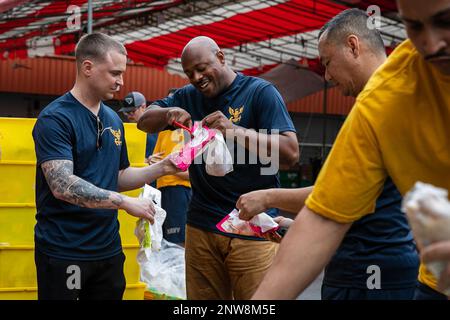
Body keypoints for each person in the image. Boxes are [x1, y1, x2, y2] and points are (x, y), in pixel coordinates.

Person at [250, 0, 450, 300]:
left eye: (444, 21)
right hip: (433, 283)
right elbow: (326, 214)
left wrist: (268, 197)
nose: (431, 44)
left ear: (353, 46)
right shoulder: (385, 99)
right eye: (415, 27)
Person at [137, 36, 299, 299]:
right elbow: (144, 121)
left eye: (202, 68)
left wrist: (233, 130)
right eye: (190, 73)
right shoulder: (188, 97)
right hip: (202, 226)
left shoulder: (260, 93)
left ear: (221, 58)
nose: (197, 77)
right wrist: (168, 114)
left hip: (252, 227)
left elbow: (290, 153)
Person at [32, 33, 178, 300]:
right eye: (115, 73)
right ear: (87, 67)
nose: (121, 81)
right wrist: (124, 203)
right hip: (65, 250)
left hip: (108, 250)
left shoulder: (113, 118)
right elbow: (62, 185)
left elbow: (118, 175)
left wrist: (163, 168)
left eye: (122, 73)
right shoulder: (55, 118)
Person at [150, 88, 191, 246]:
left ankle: (181, 270)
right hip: (161, 191)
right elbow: (156, 159)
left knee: (177, 241)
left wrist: (168, 168)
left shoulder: (188, 132)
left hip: (179, 191)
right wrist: (151, 161)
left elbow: (194, 172)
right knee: (165, 241)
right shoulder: (163, 132)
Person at [119, 91, 162, 188]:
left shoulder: (156, 129)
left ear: (143, 107)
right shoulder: (123, 129)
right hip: (129, 182)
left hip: (152, 184)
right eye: (126, 112)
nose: (129, 116)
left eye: (132, 111)